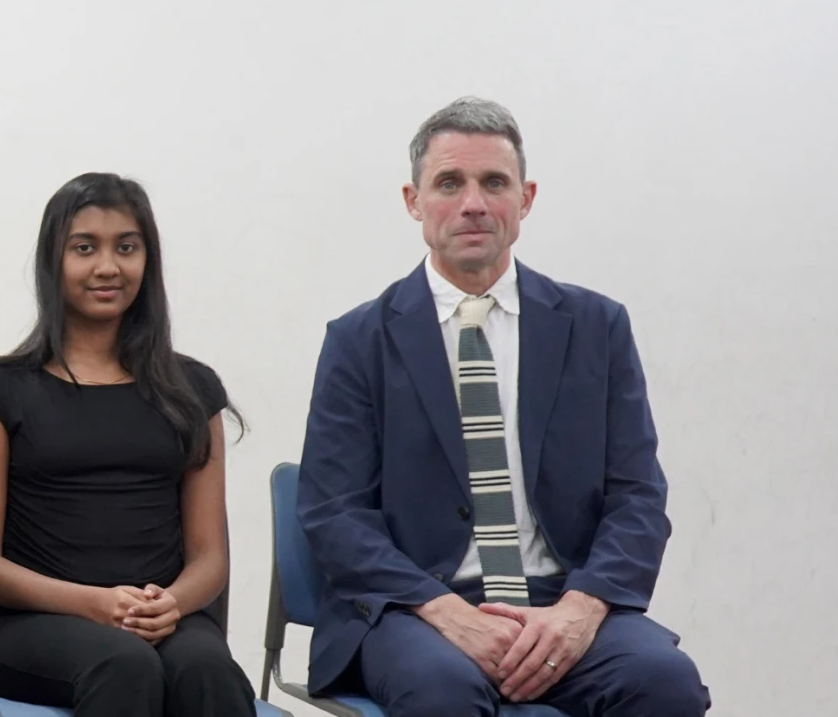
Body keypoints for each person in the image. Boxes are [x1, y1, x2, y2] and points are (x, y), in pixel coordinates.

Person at [297, 97, 708, 715]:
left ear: (527, 198)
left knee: (664, 681)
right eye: (448, 183)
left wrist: (581, 607)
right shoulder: (359, 341)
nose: (473, 203)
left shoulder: (597, 327)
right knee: (444, 693)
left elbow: (637, 496)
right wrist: (447, 615)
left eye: (494, 182)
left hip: (562, 600)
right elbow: (334, 514)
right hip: (416, 609)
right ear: (414, 201)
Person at [0, 173, 254, 716]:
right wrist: (93, 604)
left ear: (147, 261)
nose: (108, 267)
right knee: (124, 665)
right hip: (29, 628)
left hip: (162, 615)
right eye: (84, 248)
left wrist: (172, 604)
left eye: (126, 248)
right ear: (53, 261)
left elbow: (210, 556)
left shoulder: (192, 391)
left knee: (211, 672)